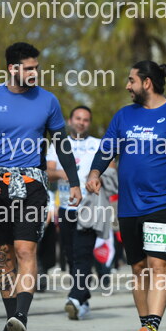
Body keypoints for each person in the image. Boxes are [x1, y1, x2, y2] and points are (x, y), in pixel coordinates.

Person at [0, 42, 82, 331]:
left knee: (25, 250)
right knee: (3, 254)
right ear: (12, 68)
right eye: (29, 68)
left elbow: (62, 145)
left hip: (31, 184)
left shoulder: (48, 101)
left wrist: (74, 182)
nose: (34, 73)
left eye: (36, 68)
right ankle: (11, 324)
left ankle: (21, 315)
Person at [87, 60, 166, 331]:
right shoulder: (124, 116)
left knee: (158, 265)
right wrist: (95, 173)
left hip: (163, 204)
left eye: (131, 80)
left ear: (147, 82)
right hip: (129, 206)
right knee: (138, 268)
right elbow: (106, 149)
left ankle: (152, 328)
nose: (127, 86)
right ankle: (144, 329)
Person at [47, 105, 116, 320]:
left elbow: (112, 171)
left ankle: (75, 297)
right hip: (66, 207)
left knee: (82, 253)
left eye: (85, 120)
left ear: (89, 123)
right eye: (78, 118)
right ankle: (82, 298)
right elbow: (48, 172)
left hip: (89, 208)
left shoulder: (98, 144)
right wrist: (64, 174)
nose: (81, 123)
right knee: (70, 255)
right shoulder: (58, 145)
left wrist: (97, 178)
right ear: (70, 121)